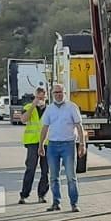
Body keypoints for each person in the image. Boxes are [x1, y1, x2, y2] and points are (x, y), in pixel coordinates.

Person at [38, 84, 85, 213]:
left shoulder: (71, 107)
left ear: (64, 93)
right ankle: (56, 203)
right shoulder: (49, 109)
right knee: (53, 177)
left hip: (68, 144)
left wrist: (82, 144)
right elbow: (45, 128)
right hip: (53, 145)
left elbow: (79, 126)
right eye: (55, 92)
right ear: (52, 94)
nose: (58, 94)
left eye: (60, 92)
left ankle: (74, 203)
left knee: (71, 176)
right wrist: (41, 144)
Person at [18, 86, 49, 204]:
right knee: (30, 169)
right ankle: (24, 195)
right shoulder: (28, 107)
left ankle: (42, 195)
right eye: (38, 97)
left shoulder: (50, 109)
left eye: (42, 97)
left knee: (46, 170)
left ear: (46, 97)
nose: (40, 99)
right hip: (32, 142)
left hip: (47, 142)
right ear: (35, 97)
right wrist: (33, 105)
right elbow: (23, 119)